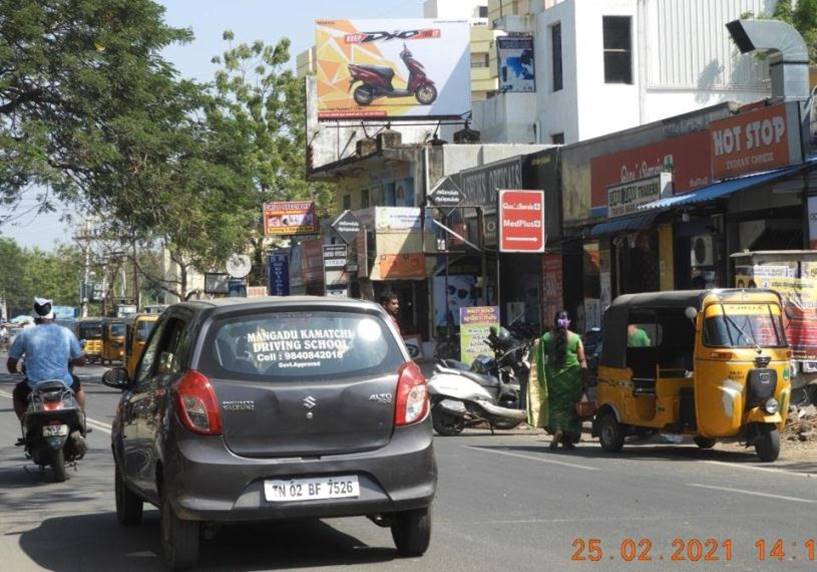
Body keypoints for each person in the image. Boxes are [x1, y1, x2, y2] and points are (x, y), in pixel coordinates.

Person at [7, 297, 87, 422]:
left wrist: (14, 371)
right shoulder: (66, 332)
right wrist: (71, 361)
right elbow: (81, 361)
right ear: (54, 316)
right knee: (79, 388)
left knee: (17, 394)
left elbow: (11, 363)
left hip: (34, 385)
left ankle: (25, 423)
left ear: (34, 319)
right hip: (64, 383)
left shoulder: (25, 335)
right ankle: (80, 418)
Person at [531, 310, 588, 450]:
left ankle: (558, 430)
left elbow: (538, 359)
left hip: (553, 379)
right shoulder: (575, 338)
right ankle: (567, 438)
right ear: (569, 321)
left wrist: (540, 378)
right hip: (572, 379)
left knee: (555, 407)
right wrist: (585, 380)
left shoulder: (546, 338)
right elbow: (583, 361)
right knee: (571, 409)